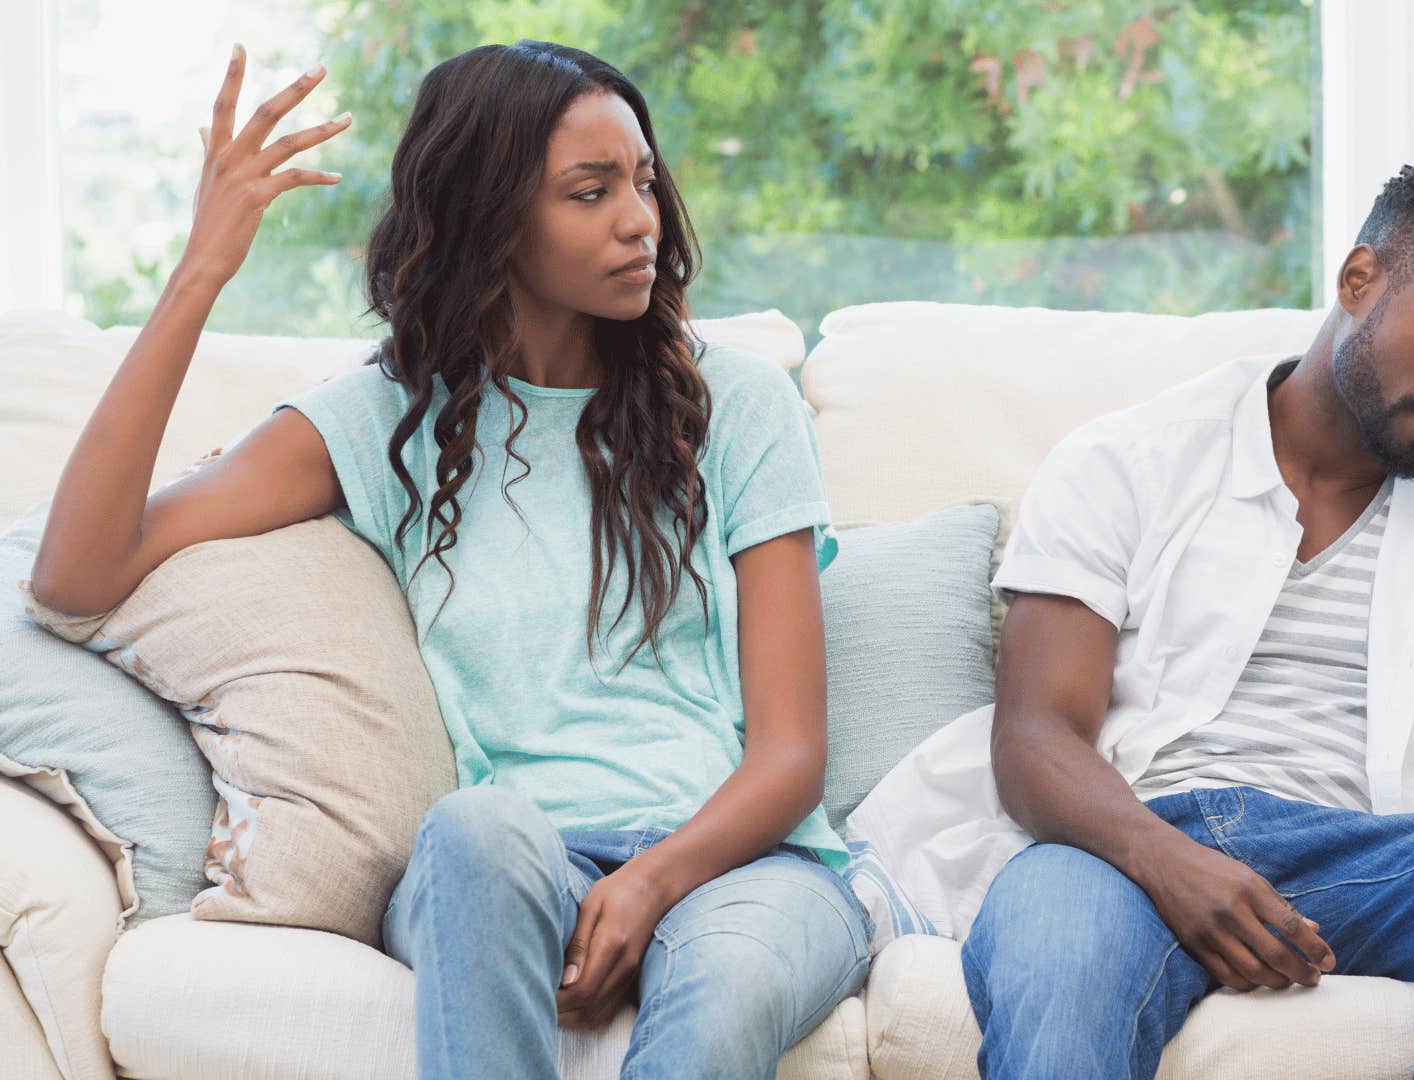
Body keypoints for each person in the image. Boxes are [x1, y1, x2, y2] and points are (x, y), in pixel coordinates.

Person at [29, 39, 870, 1080]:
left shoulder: (738, 404)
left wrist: (652, 882)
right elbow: (77, 572)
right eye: (590, 191)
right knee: (475, 829)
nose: (640, 219)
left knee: (726, 996)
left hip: (743, 866)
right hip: (507, 862)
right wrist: (203, 268)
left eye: (645, 180)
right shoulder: (391, 420)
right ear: (492, 215)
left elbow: (791, 754)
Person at [847, 160, 1414, 1079]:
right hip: (1125, 849)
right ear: (1360, 282)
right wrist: (1171, 866)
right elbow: (1034, 737)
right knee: (1063, 966)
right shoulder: (1132, 460)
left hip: (1373, 858)